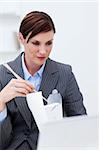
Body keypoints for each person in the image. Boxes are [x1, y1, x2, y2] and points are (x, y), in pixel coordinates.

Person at [0, 11, 87, 150]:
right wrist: (1, 102)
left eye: (49, 43)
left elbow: (81, 126)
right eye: (36, 43)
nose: (43, 51)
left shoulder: (64, 74)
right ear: (21, 38)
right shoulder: (2, 74)